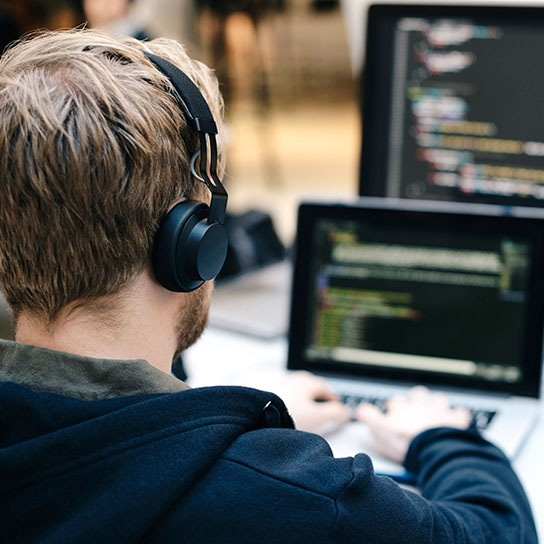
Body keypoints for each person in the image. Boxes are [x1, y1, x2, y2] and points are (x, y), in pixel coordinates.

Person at [0, 28, 537, 543]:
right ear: (192, 242)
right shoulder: (302, 503)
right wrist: (443, 438)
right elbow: (497, 532)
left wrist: (236, 431)